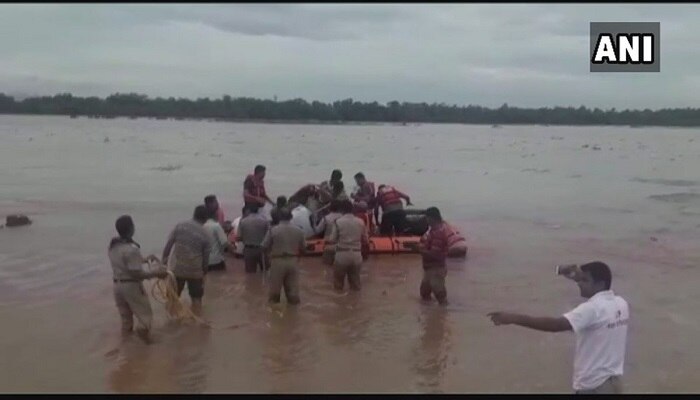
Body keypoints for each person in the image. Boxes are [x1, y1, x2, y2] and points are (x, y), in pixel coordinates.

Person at [487, 261, 629, 394]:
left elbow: (556, 325)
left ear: (600, 284)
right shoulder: (621, 304)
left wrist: (513, 318)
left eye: (585, 280)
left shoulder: (592, 309)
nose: (579, 284)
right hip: (613, 383)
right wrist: (572, 275)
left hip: (594, 386)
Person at [108, 215, 168, 343]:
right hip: (131, 286)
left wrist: (144, 259)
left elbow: (124, 264)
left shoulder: (113, 246)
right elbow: (137, 274)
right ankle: (146, 343)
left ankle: (127, 347)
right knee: (145, 316)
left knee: (126, 319)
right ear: (131, 229)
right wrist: (157, 273)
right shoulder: (131, 249)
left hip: (117, 286)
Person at [162, 205, 212, 315]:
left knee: (172, 297)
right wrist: (204, 273)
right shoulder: (206, 234)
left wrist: (164, 264)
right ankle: (197, 322)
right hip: (195, 271)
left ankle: (171, 322)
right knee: (196, 299)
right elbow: (205, 259)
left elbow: (168, 246)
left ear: (194, 214)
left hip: (177, 269)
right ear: (206, 218)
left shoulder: (180, 226)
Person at [261, 208, 306, 305]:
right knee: (293, 295)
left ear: (279, 217)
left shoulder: (273, 230)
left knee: (274, 295)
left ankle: (275, 317)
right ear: (291, 217)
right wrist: (298, 258)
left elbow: (264, 246)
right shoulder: (299, 230)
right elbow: (304, 248)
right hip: (293, 260)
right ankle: (293, 317)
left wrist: (268, 257)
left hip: (277, 261)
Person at [328, 200, 369, 291]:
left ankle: (341, 303)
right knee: (356, 285)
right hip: (357, 255)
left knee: (338, 285)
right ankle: (355, 303)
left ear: (341, 210)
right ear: (353, 209)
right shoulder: (361, 222)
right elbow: (366, 240)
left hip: (342, 255)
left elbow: (332, 240)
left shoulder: (338, 222)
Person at [419, 207, 449, 305]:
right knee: (424, 292)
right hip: (429, 268)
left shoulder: (439, 233)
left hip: (436, 268)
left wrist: (419, 250)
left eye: (427, 218)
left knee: (439, 294)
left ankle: (444, 314)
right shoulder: (433, 231)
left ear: (432, 218)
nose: (426, 220)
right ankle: (430, 313)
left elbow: (435, 254)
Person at [237, 203, 271, 274]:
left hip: (248, 250)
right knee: (266, 272)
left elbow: (239, 237)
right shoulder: (264, 221)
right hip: (262, 249)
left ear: (249, 211)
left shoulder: (243, 221)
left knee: (250, 275)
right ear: (258, 210)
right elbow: (269, 236)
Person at [314, 199, 343, 265]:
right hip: (341, 246)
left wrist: (314, 222)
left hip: (328, 245)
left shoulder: (325, 218)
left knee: (327, 269)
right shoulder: (343, 217)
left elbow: (317, 231)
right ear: (340, 208)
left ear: (330, 208)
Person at [203, 206, 231, 272]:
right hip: (217, 261)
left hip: (204, 261)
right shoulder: (216, 226)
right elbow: (225, 242)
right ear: (215, 215)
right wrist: (232, 249)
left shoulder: (202, 226)